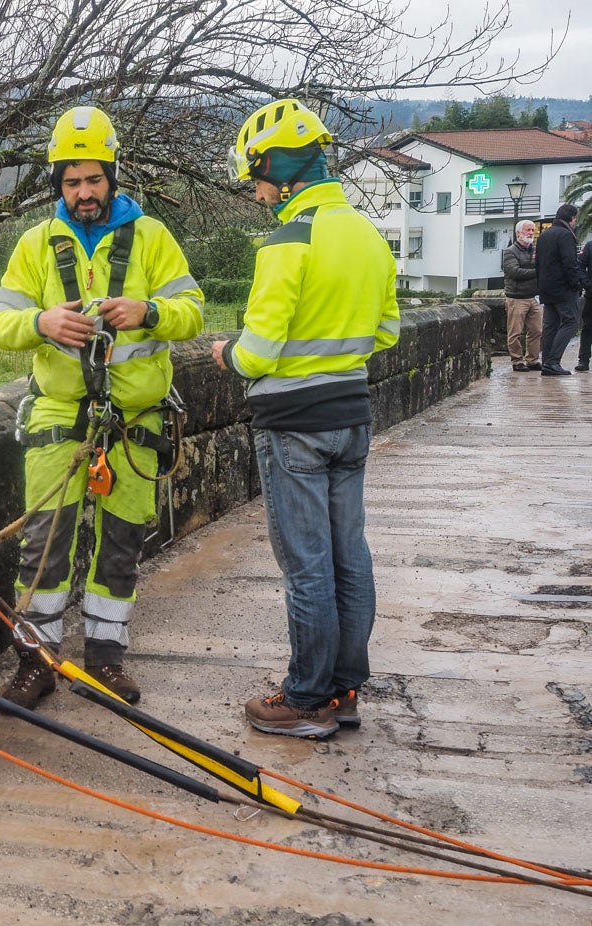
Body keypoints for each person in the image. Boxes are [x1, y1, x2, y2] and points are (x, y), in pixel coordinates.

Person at [0, 105, 204, 709]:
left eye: (94, 180)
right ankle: (37, 662)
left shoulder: (153, 238)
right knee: (44, 544)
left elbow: (193, 312)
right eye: (72, 182)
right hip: (59, 417)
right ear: (59, 183)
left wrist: (147, 310)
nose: (84, 193)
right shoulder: (35, 245)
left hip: (134, 422)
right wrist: (41, 321)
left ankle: (106, 661)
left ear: (113, 175)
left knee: (121, 543)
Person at [212, 99, 400, 738]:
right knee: (350, 556)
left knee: (307, 565)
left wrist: (226, 353)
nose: (256, 189)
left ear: (284, 168)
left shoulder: (288, 239)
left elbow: (258, 351)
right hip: (352, 416)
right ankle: (345, 690)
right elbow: (388, 331)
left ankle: (306, 698)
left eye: (258, 175)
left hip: (293, 423)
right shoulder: (370, 237)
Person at [536, 203, 582, 376]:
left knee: (550, 325)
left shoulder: (544, 235)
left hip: (547, 288)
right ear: (571, 218)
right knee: (571, 322)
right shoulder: (565, 235)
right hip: (563, 288)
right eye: (575, 218)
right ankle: (553, 362)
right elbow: (569, 263)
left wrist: (540, 286)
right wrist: (576, 284)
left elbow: (538, 263)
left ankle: (547, 361)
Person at [500, 220, 541, 371]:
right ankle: (517, 361)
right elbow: (514, 272)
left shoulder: (536, 250)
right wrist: (537, 272)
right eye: (527, 230)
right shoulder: (510, 251)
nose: (531, 233)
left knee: (536, 330)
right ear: (518, 233)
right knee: (515, 332)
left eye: (532, 230)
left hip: (534, 296)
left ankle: (533, 360)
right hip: (516, 297)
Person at [576, 236, 592, 372]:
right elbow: (579, 266)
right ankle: (583, 360)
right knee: (587, 329)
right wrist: (588, 285)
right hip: (591, 296)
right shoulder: (590, 246)